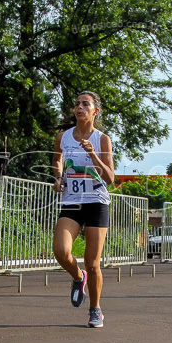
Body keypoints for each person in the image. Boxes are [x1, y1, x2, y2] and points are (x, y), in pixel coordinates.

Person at [51, 91, 115, 328]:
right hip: (72, 202)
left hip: (96, 202)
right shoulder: (64, 137)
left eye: (85, 104)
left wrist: (93, 155)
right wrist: (58, 178)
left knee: (93, 262)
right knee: (60, 250)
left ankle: (95, 309)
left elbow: (110, 178)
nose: (79, 107)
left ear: (94, 111)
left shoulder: (102, 139)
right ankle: (78, 278)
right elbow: (57, 160)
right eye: (77, 104)